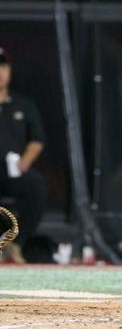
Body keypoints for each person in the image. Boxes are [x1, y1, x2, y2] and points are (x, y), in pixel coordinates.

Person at [0, 47, 47, 264]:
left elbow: (37, 139)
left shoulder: (23, 105)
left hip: (12, 171)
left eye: (3, 67)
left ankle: (16, 243)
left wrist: (24, 162)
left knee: (36, 186)